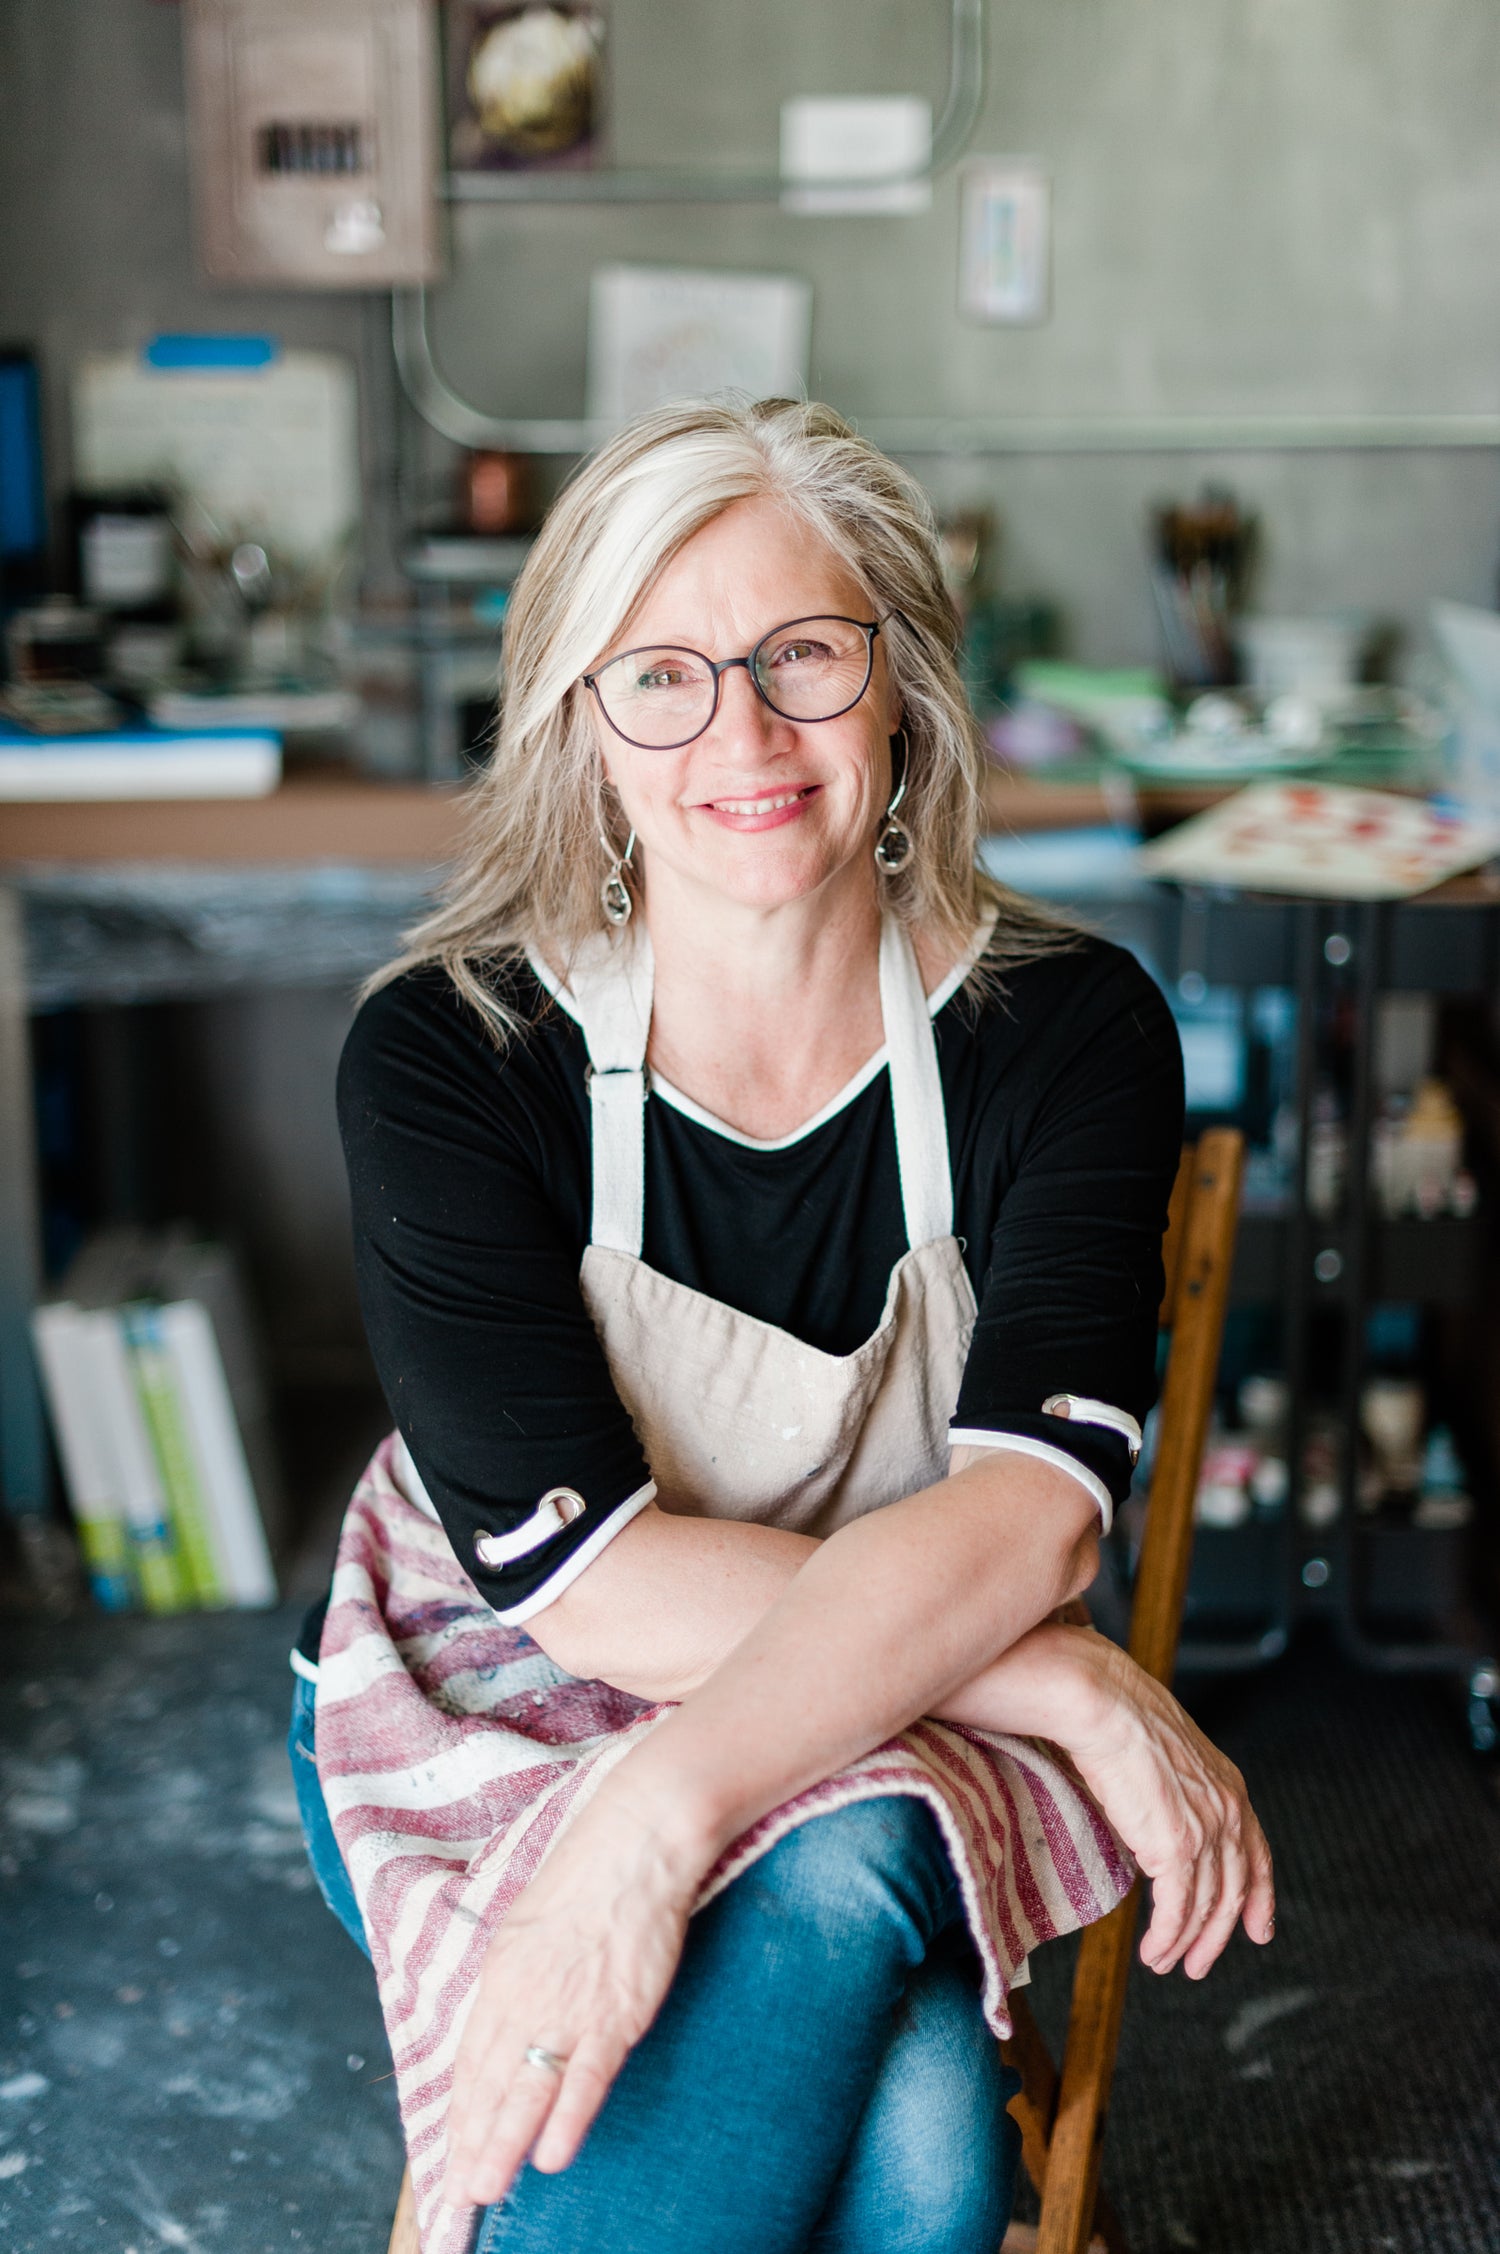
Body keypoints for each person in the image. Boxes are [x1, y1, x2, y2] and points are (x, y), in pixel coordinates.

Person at [289, 398, 1273, 2254]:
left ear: (898, 682)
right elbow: (581, 1582)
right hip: (487, 1692)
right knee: (915, 2107)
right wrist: (1054, 1675)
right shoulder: (449, 1055)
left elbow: (1034, 1516)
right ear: (583, 723)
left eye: (801, 656)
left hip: (888, 1706)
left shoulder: (1065, 1033)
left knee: (878, 1925)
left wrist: (651, 1831)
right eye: (659, 672)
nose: (739, 732)